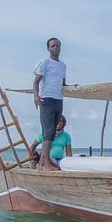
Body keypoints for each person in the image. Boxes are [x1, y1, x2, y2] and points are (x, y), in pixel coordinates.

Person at [33, 37, 68, 172]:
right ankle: (44, 163)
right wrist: (36, 96)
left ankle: (43, 161)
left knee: (53, 131)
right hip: (46, 99)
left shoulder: (63, 65)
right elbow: (36, 82)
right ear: (48, 48)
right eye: (52, 46)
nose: (55, 48)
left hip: (58, 99)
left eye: (57, 46)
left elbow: (63, 84)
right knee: (47, 131)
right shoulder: (45, 63)